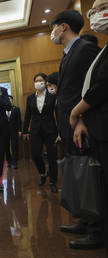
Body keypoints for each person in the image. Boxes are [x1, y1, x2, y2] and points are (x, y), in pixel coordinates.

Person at [50, 9, 103, 249]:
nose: (51, 33)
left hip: (81, 124)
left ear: (63, 27)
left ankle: (96, 230)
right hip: (68, 125)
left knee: (90, 177)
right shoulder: (68, 52)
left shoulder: (85, 48)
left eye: (52, 27)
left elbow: (92, 88)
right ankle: (83, 219)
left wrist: (79, 117)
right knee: (78, 174)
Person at [70, 0, 108, 252]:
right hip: (95, 126)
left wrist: (76, 112)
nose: (93, 14)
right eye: (92, 9)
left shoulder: (87, 49)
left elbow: (102, 86)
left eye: (100, 7)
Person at [22, 73, 58, 193]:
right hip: (35, 131)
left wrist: (60, 132)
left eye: (41, 80)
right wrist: (25, 130)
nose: (38, 82)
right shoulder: (30, 98)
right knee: (36, 155)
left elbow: (58, 114)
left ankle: (53, 181)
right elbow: (27, 115)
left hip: (50, 130)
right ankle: (43, 174)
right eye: (36, 80)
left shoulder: (52, 96)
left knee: (52, 157)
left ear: (45, 82)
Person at [5, 95, 22, 169]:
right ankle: (9, 161)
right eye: (7, 99)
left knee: (14, 146)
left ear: (12, 100)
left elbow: (19, 120)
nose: (9, 100)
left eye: (10, 99)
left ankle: (15, 162)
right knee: (6, 147)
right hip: (5, 131)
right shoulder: (2, 109)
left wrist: (20, 130)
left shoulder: (16, 109)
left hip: (14, 130)